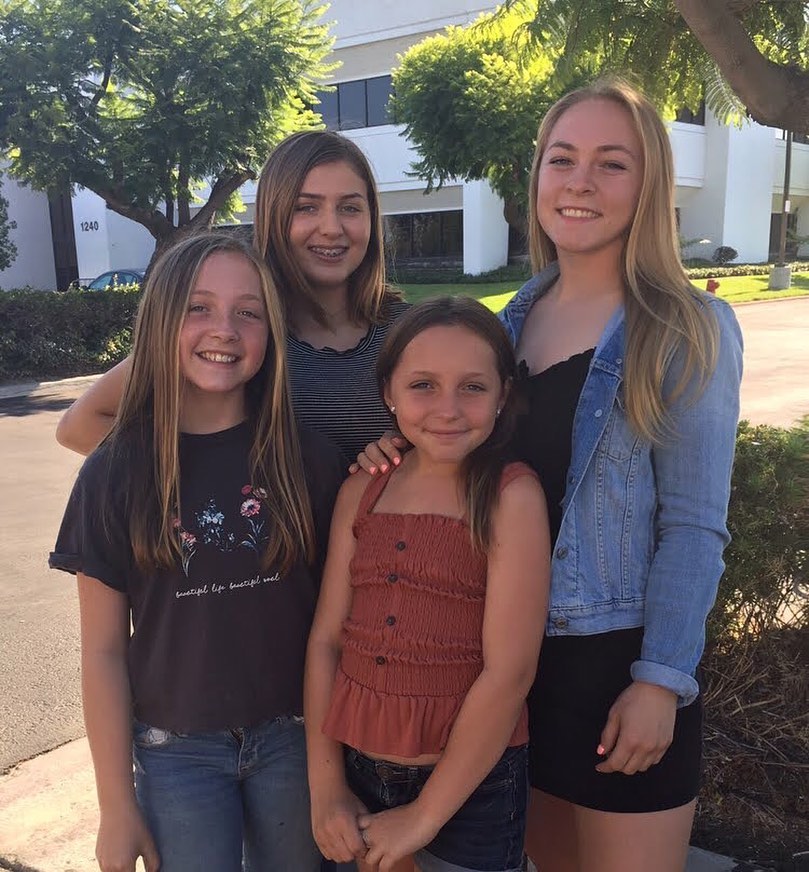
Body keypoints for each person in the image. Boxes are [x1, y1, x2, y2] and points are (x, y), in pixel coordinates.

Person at [356, 78, 743, 872]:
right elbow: (457, 462)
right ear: (534, 178)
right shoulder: (504, 326)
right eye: (561, 159)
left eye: (611, 164)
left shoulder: (685, 327)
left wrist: (662, 681)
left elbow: (694, 523)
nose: (579, 182)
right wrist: (390, 457)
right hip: (504, 676)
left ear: (648, 185)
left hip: (617, 672)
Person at [49, 233, 345, 872]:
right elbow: (102, 651)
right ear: (158, 323)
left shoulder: (309, 461)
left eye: (249, 312)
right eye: (198, 307)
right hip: (176, 754)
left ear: (271, 334)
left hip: (297, 742)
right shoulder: (114, 472)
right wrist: (114, 806)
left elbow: (339, 628)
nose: (226, 329)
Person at [305, 297, 551, 872]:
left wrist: (425, 815)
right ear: (388, 391)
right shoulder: (362, 489)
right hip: (356, 774)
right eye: (422, 385)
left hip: (473, 788)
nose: (447, 409)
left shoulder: (511, 497)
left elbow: (510, 671)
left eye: (472, 387)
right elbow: (326, 641)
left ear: (503, 395)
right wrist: (325, 787)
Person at [55, 130, 408, 463]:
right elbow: (80, 425)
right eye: (306, 207)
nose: (332, 228)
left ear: (371, 218)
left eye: (350, 208)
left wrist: (420, 451)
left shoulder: (414, 333)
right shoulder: (237, 332)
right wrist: (216, 482)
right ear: (273, 215)